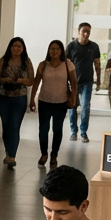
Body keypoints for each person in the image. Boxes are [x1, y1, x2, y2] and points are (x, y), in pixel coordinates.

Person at [28, 40, 78, 169]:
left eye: (57, 49)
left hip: (60, 102)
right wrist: (32, 98)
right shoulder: (43, 65)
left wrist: (73, 97)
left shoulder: (68, 65)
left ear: (61, 51)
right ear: (48, 51)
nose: (54, 51)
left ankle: (54, 155)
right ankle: (43, 154)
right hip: (44, 101)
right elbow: (36, 82)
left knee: (57, 129)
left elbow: (73, 83)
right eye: (52, 49)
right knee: (43, 129)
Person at [0, 37, 35, 169]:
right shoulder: (2, 61)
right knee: (6, 125)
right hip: (4, 97)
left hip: (19, 98)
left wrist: (21, 80)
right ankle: (8, 150)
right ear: (10, 47)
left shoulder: (26, 62)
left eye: (19, 46)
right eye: (14, 46)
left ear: (23, 49)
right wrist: (6, 79)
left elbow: (31, 81)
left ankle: (12, 156)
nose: (16, 48)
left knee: (15, 126)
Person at [66, 22, 101, 143]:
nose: (86, 34)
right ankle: (73, 131)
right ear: (78, 31)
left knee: (85, 106)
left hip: (87, 81)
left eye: (88, 32)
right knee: (73, 107)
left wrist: (99, 79)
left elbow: (97, 64)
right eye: (83, 31)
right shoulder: (71, 46)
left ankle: (83, 132)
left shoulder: (94, 47)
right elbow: (67, 64)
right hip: (74, 81)